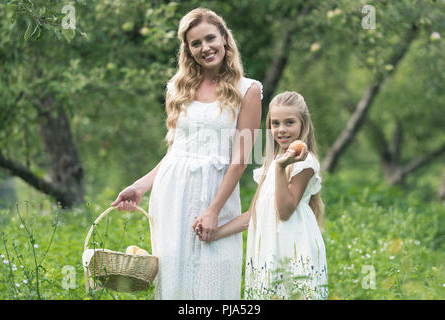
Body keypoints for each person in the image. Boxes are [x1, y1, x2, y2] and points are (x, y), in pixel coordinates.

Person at [111, 8, 262, 299]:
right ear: (188, 50)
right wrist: (139, 186)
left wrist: (214, 210)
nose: (205, 48)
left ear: (225, 39)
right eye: (196, 43)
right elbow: (174, 153)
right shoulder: (177, 89)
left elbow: (241, 159)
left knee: (215, 277)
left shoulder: (249, 91)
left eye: (210, 38)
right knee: (174, 280)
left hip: (216, 194)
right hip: (173, 195)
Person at [198, 91, 328, 300]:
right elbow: (252, 215)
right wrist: (216, 234)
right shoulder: (274, 162)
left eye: (289, 122)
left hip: (292, 248)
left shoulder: (304, 163)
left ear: (303, 125)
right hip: (268, 250)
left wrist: (280, 167)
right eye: (275, 123)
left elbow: (285, 212)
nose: (282, 129)